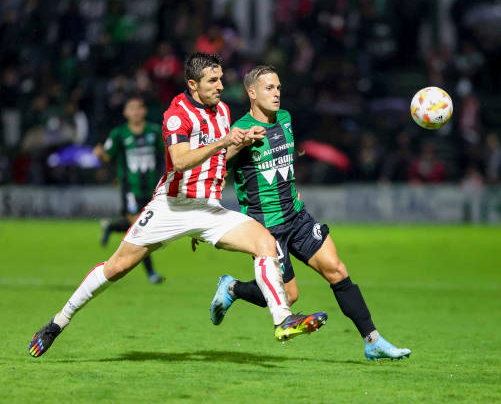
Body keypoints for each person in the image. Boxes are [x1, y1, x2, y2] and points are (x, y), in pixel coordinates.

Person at [28, 53, 327, 358]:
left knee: (265, 243)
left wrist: (243, 140)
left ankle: (283, 320)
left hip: (209, 210)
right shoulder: (177, 113)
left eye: (221, 78)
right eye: (213, 80)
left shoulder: (222, 110)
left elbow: (220, 158)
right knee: (117, 267)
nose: (221, 86)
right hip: (172, 207)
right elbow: (181, 161)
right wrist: (225, 142)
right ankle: (56, 323)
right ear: (193, 84)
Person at [201, 65, 411, 360]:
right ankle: (233, 288)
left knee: (337, 270)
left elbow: (284, 159)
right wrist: (237, 146)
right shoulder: (238, 132)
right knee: (290, 295)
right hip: (265, 227)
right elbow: (217, 171)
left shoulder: (285, 119)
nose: (276, 94)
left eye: (278, 88)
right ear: (251, 93)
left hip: (297, 217)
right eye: (269, 88)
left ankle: (373, 341)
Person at [93, 96, 165, 284]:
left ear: (144, 111)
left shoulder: (154, 131)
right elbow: (108, 156)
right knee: (140, 229)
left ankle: (111, 226)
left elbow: (167, 153)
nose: (135, 112)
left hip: (151, 187)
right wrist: (100, 154)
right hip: (129, 188)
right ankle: (151, 273)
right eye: (131, 108)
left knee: (141, 228)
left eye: (139, 108)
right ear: (125, 113)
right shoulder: (119, 134)